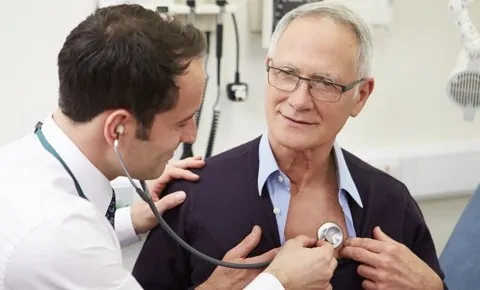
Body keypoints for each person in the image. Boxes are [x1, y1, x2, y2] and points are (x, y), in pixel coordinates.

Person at [0, 4, 339, 290]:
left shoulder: (22, 165)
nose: (191, 135)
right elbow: (65, 248)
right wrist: (278, 281)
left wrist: (131, 221)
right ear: (118, 128)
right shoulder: (57, 236)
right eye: (181, 121)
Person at [132, 1, 448, 289]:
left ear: (361, 95)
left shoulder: (393, 204)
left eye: (325, 83)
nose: (298, 101)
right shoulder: (192, 196)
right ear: (269, 67)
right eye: (286, 73)